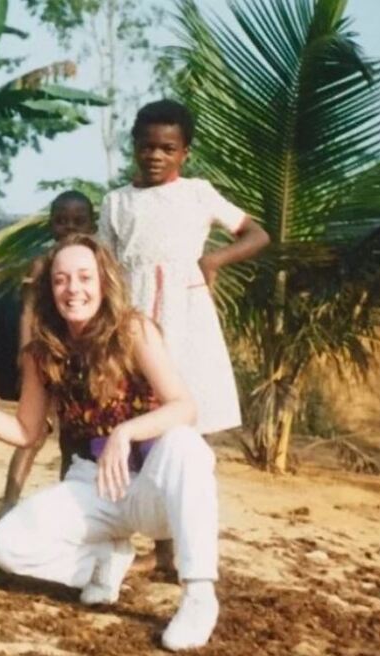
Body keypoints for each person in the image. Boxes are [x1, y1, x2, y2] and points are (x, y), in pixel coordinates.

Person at [0, 235, 222, 652]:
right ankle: (104, 562)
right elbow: (26, 432)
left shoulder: (134, 329)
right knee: (5, 545)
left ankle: (199, 593)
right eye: (60, 280)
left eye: (83, 277)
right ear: (49, 290)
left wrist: (125, 432)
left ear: (104, 281)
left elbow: (185, 407)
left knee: (187, 445)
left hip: (156, 484)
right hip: (96, 483)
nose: (73, 289)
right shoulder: (42, 353)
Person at [98, 99, 269, 573]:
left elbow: (256, 235)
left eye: (167, 148)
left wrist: (212, 261)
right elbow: (106, 266)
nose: (156, 156)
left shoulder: (198, 193)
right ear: (133, 146)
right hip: (134, 322)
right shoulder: (116, 202)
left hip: (186, 320)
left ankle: (185, 551)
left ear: (184, 153)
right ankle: (148, 546)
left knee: (186, 432)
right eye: (147, 146)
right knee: (137, 425)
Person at [0, 190, 96, 517]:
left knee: (74, 434)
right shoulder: (42, 264)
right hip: (47, 355)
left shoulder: (96, 265)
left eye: (78, 221)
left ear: (92, 224)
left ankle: (71, 503)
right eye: (61, 220)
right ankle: (9, 502)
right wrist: (26, 354)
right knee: (33, 432)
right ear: (51, 223)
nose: (69, 227)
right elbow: (28, 311)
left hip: (82, 361)